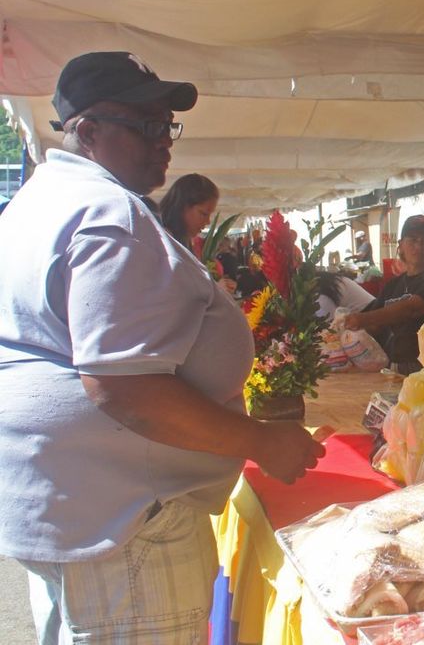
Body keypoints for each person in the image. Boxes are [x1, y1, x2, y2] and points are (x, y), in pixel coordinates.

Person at [0, 51, 327, 644]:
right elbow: (125, 385)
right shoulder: (109, 213)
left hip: (68, 508)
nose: (164, 141)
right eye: (146, 125)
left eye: (167, 124)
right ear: (88, 131)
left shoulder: (36, 201)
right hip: (127, 526)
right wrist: (261, 441)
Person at [346, 215, 424, 374]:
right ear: (401, 245)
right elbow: (375, 325)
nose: (419, 247)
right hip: (400, 365)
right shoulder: (393, 286)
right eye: (413, 240)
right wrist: (344, 333)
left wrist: (361, 319)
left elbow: (410, 309)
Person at [159, 171, 238, 295]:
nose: (207, 221)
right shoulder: (163, 241)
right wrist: (215, 290)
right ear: (183, 207)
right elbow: (175, 294)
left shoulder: (180, 240)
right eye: (203, 214)